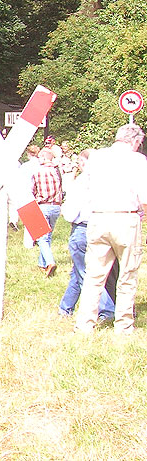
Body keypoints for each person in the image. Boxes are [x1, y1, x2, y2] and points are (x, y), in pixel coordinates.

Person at [75, 124, 147, 335]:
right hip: (125, 218)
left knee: (94, 276)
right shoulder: (138, 161)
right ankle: (123, 325)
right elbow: (144, 196)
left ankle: (84, 323)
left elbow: (85, 187)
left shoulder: (96, 157)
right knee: (127, 274)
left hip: (98, 217)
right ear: (135, 141)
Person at [58, 149, 118, 322]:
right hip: (105, 227)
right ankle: (65, 307)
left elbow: (71, 212)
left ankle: (106, 310)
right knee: (78, 271)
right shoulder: (109, 181)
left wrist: (65, 211)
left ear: (84, 163)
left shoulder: (82, 182)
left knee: (88, 274)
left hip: (83, 229)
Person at [31, 147, 62, 277]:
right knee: (48, 236)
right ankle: (42, 264)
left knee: (41, 237)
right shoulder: (57, 171)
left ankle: (50, 262)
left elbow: (32, 189)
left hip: (43, 205)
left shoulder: (37, 172)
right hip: (56, 206)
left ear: (43, 158)